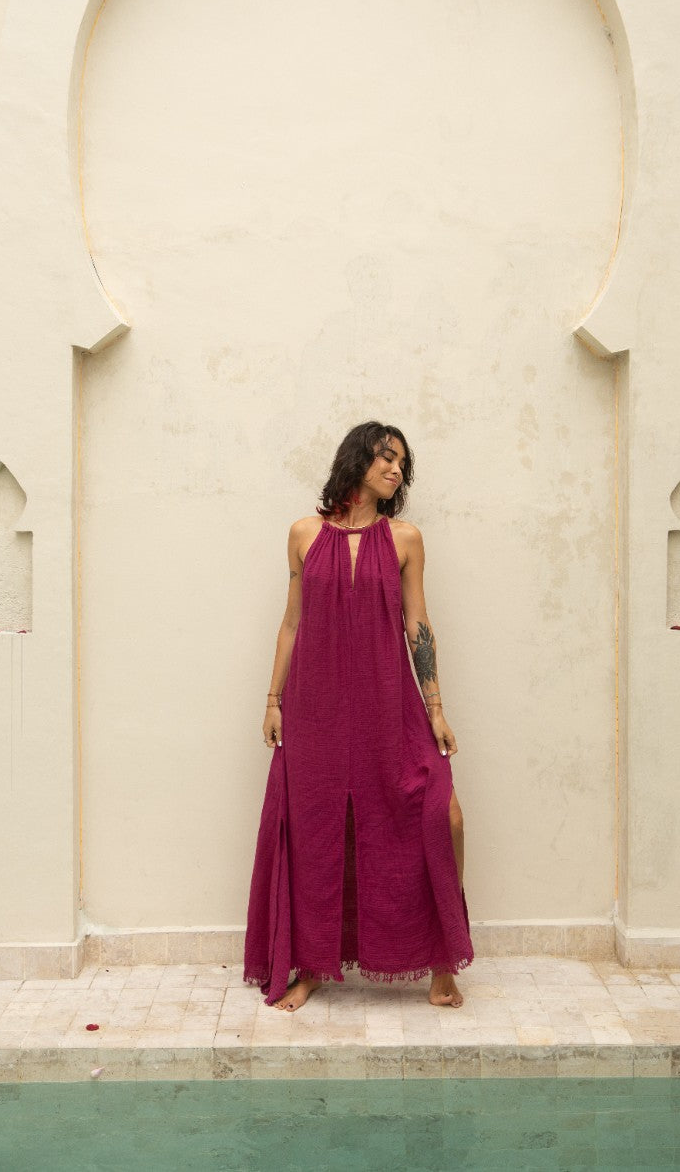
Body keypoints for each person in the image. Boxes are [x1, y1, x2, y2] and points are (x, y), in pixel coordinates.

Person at [243, 421, 473, 1012]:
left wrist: (436, 710)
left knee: (441, 813)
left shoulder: (405, 539)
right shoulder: (302, 534)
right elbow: (292, 622)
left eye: (402, 464)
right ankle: (313, 966)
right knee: (318, 833)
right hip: (314, 707)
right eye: (386, 459)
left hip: (388, 706)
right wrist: (272, 701)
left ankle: (443, 960)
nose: (396, 470)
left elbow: (417, 626)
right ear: (358, 461)